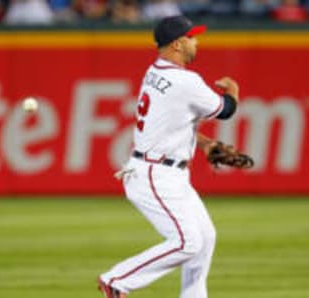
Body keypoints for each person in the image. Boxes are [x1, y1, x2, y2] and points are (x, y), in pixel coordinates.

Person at [98, 15, 241, 298]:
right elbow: (226, 109)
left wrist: (202, 144)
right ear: (177, 44)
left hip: (163, 170)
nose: (196, 42)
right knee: (187, 242)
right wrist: (234, 90)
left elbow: (172, 124)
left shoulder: (155, 72)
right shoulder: (183, 80)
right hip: (155, 174)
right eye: (191, 37)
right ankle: (117, 280)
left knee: (205, 238)